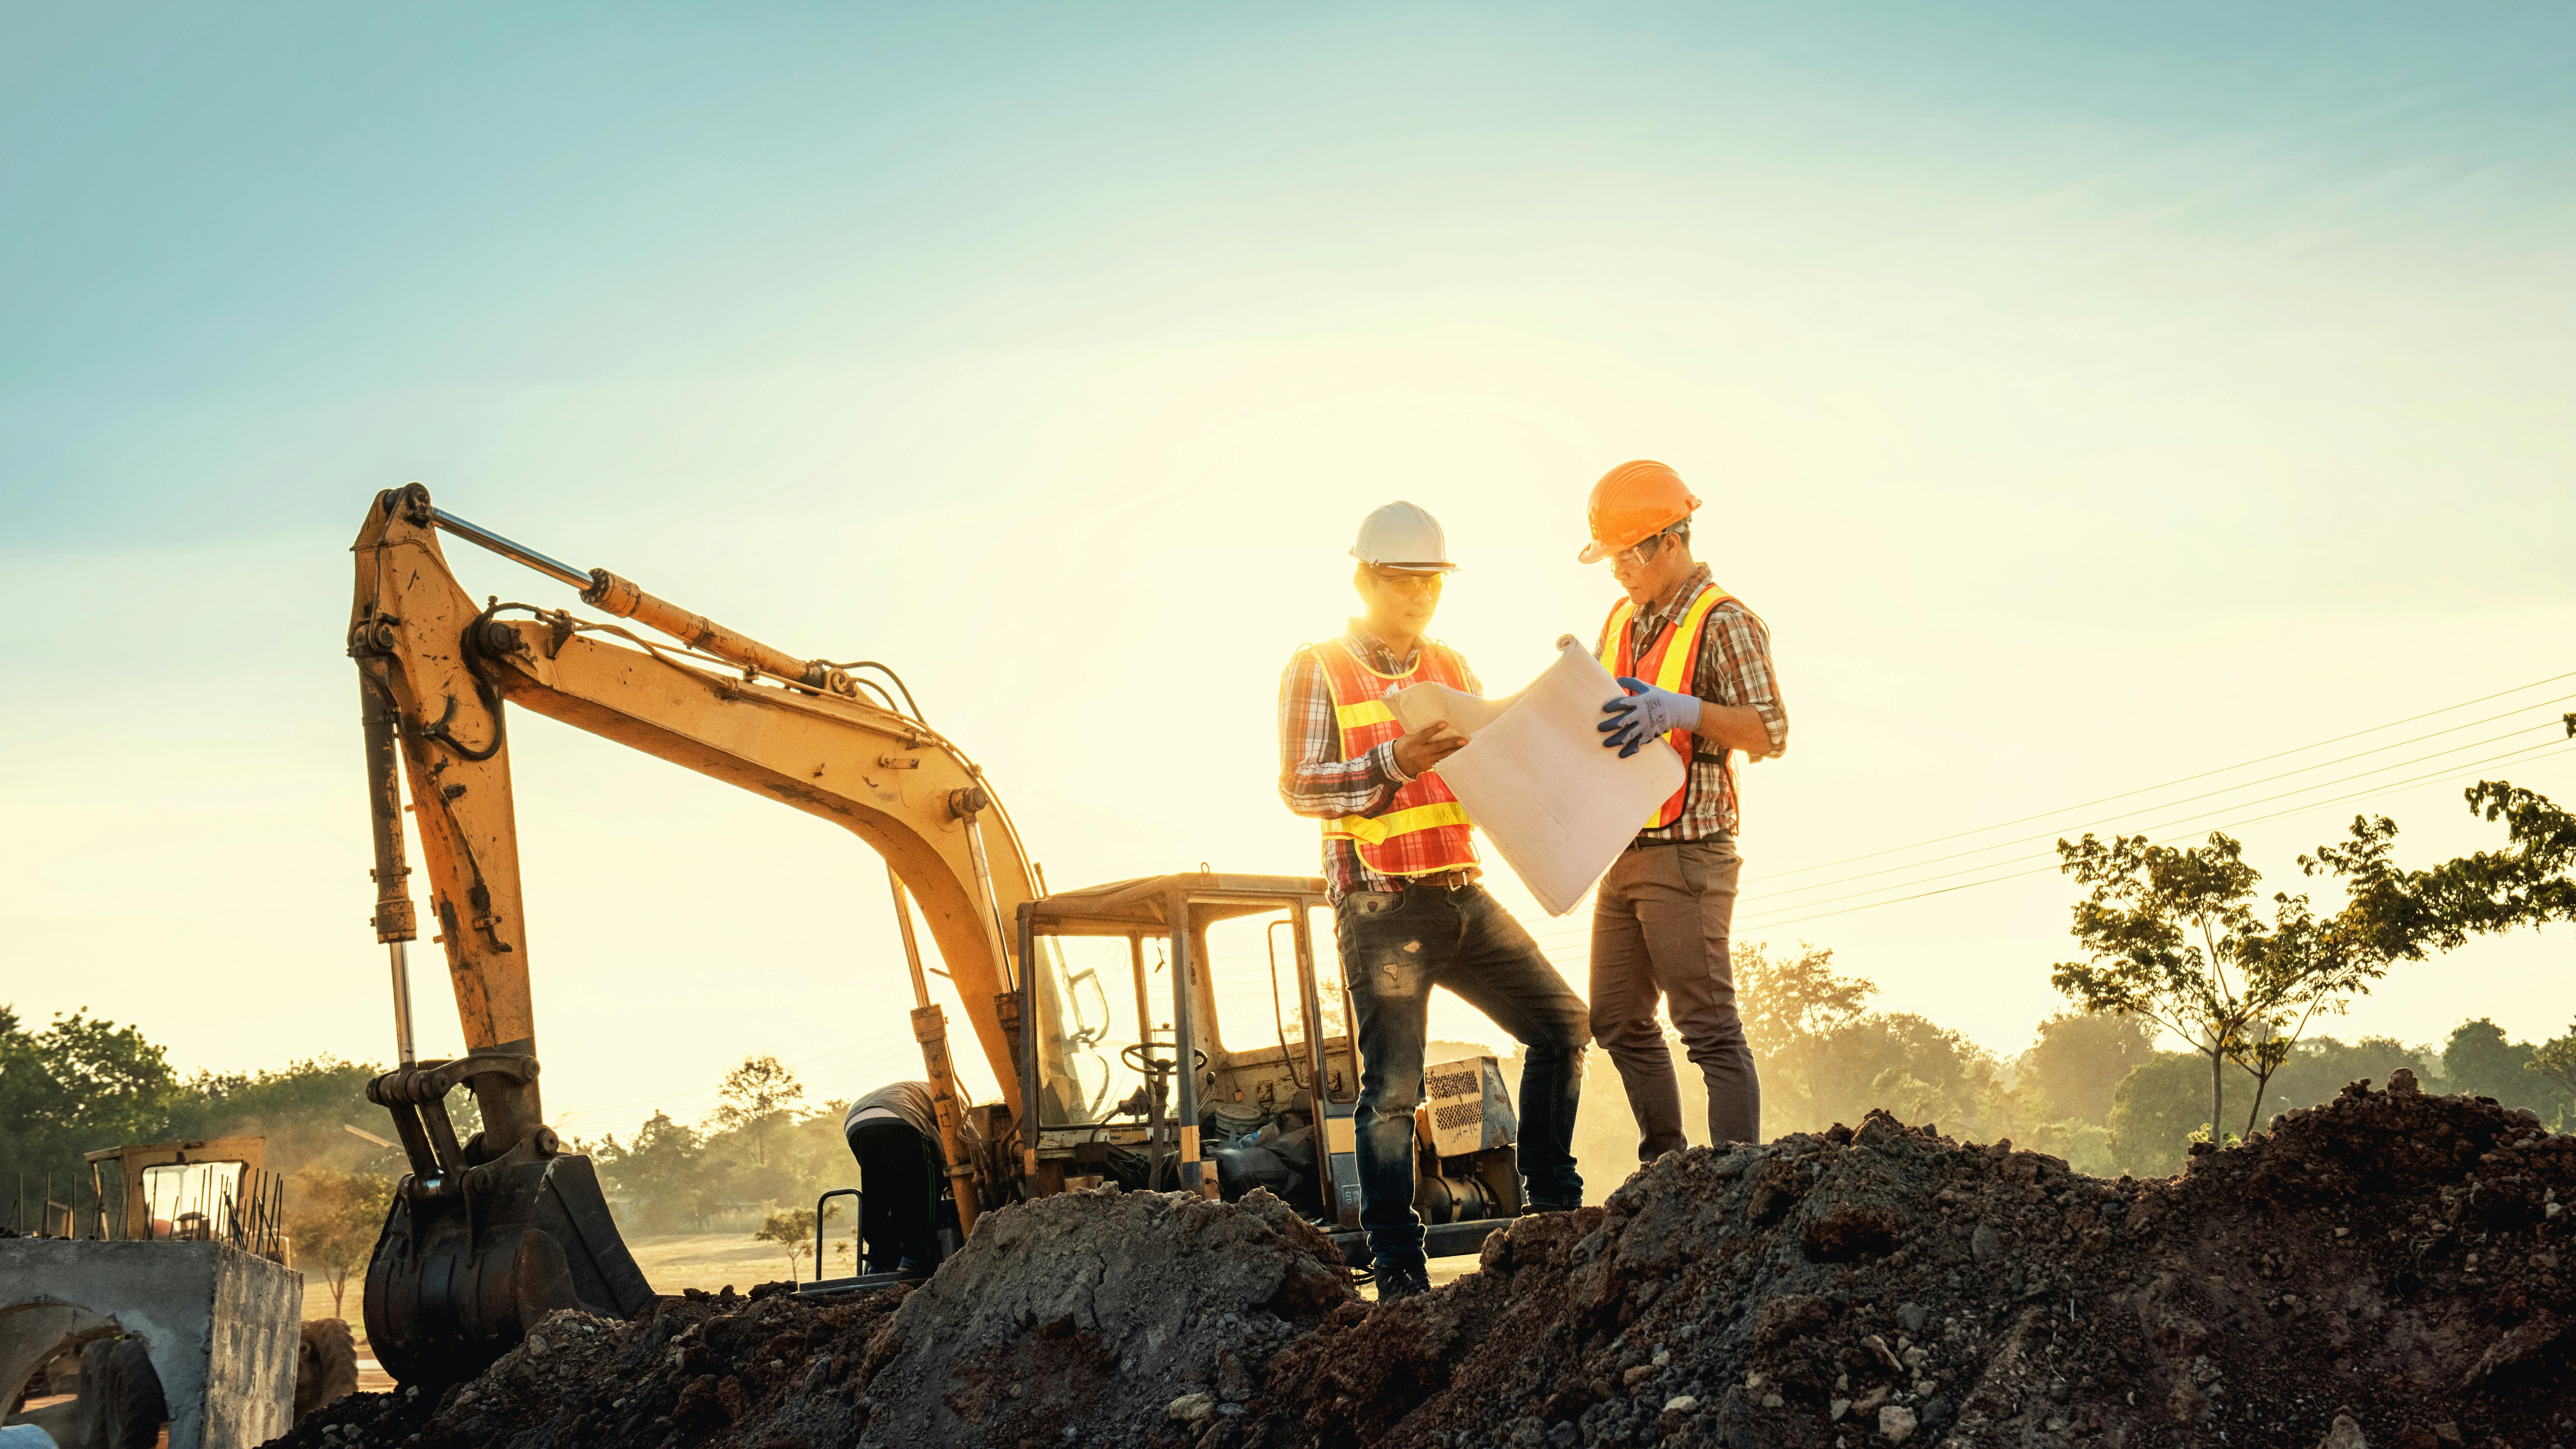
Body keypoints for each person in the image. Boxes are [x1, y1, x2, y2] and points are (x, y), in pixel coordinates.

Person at [1276, 500, 1590, 1299]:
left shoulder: (1452, 666)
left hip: (1461, 891)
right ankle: (1398, 1267)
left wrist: (1555, 710)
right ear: (1362, 578)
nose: (1418, 595)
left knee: (1563, 1026)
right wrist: (1395, 758)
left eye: (1430, 582)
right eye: (1401, 580)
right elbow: (1299, 784)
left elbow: (1498, 767)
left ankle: (1553, 1217)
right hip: (1380, 905)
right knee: (1389, 1093)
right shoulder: (1316, 667)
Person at [1581, 460, 1788, 1159]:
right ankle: (1667, 1171)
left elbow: (1768, 730)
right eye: (1608, 557)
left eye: (1625, 554)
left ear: (1669, 540)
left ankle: (1734, 1186)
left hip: (1688, 849)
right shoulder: (1620, 620)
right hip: (1623, 845)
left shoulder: (1723, 621)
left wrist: (1680, 710)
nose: (1616, 570)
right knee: (1614, 1017)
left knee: (1706, 1027)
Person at [840, 1080, 958, 1278]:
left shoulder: (918, 1090)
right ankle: (915, 1256)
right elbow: (963, 1138)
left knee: (877, 1192)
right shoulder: (949, 1096)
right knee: (920, 1189)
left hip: (855, 1122)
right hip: (899, 1116)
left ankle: (880, 1260)